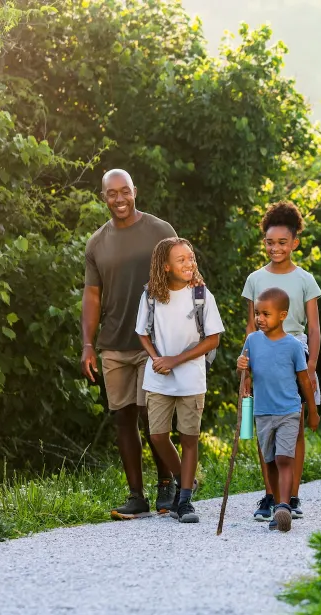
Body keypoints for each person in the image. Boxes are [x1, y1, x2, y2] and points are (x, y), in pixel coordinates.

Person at [81, 168, 194, 519]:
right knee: (123, 418)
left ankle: (167, 487)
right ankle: (136, 496)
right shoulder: (96, 243)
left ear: (135, 191)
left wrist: (183, 340)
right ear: (104, 197)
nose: (119, 198)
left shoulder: (161, 231)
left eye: (125, 191)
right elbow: (92, 295)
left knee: (153, 415)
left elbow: (182, 281)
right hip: (114, 343)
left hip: (154, 344)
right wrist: (88, 344)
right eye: (112, 193)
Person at [240, 202, 321, 522]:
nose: (276, 248)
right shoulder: (255, 279)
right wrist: (247, 371)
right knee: (265, 427)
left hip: (295, 354)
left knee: (294, 425)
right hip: (262, 355)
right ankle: (270, 495)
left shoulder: (305, 279)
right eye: (270, 242)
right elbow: (251, 327)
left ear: (295, 243)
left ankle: (293, 496)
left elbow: (313, 327)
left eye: (282, 242)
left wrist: (312, 364)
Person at [135, 237, 224, 523]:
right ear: (165, 267)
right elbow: (142, 333)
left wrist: (175, 360)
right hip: (159, 376)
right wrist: (156, 357)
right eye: (181, 259)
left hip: (191, 378)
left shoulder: (201, 295)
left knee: (189, 438)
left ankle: (184, 500)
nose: (189, 263)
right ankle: (183, 478)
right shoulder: (150, 295)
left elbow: (213, 339)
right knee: (158, 436)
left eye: (191, 257)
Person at [236, 287, 320, 532]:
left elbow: (304, 380)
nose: (259, 319)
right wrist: (241, 366)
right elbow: (244, 374)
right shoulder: (252, 341)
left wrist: (312, 411)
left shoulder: (293, 345)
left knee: (284, 458)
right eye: (257, 313)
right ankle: (275, 502)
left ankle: (284, 505)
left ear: (283, 315)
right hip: (262, 412)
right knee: (270, 460)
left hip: (289, 411)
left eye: (265, 314)